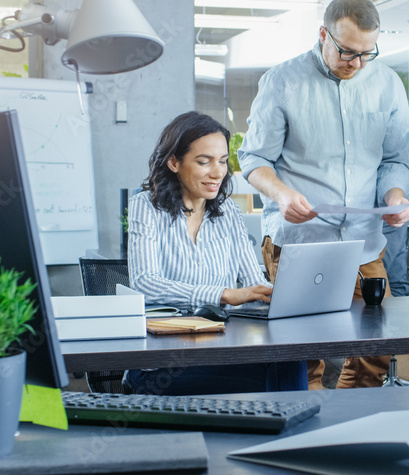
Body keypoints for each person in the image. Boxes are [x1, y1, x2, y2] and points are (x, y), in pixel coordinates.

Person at [238, 0, 409, 389]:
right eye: (347, 52)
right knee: (304, 356)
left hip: (363, 244)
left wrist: (394, 197)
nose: (357, 63)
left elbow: (394, 160)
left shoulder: (387, 83)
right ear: (323, 34)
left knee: (376, 349)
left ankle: (349, 428)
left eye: (367, 53)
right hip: (301, 242)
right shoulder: (282, 81)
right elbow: (252, 159)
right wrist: (282, 195)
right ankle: (309, 436)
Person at [125, 111, 307, 395]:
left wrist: (283, 298)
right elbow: (145, 283)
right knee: (280, 379)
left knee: (289, 361)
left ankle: (284, 436)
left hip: (220, 349)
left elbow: (252, 285)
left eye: (222, 161)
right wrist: (223, 294)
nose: (217, 172)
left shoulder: (228, 213)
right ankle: (294, 437)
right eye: (203, 161)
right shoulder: (145, 208)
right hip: (161, 364)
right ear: (173, 162)